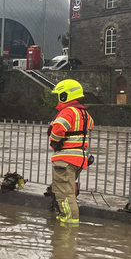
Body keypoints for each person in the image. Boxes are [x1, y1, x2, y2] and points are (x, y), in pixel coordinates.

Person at [48, 79, 95, 226]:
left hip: (65, 160)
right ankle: (65, 222)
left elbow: (59, 128)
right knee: (69, 192)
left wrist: (54, 142)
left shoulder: (68, 111)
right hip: (79, 158)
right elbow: (91, 124)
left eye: (59, 94)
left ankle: (67, 227)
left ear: (65, 95)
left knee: (65, 195)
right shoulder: (84, 112)